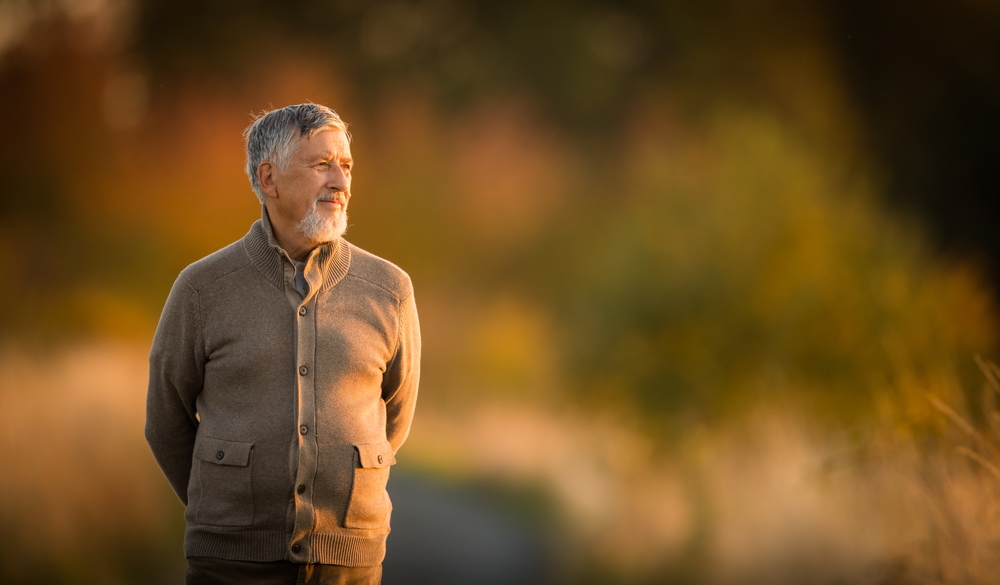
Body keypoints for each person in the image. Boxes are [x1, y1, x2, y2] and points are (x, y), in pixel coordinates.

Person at [145, 103, 420, 585]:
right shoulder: (201, 289)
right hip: (229, 567)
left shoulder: (390, 290)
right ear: (268, 179)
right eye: (321, 165)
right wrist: (224, 507)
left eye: (346, 166)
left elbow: (394, 415)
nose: (341, 181)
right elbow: (165, 420)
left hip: (350, 565)